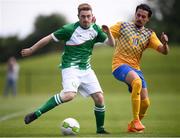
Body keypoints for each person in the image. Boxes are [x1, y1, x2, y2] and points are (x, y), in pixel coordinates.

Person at [21, 3, 115, 134]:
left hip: (86, 69)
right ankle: (36, 113)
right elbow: (48, 38)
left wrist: (109, 32)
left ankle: (100, 129)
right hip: (70, 68)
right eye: (83, 16)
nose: (86, 19)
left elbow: (111, 44)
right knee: (69, 95)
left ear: (92, 16)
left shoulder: (96, 29)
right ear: (78, 17)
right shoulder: (69, 29)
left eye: (88, 16)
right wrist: (32, 49)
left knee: (99, 98)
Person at [110, 4, 169, 132]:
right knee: (136, 81)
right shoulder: (123, 26)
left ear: (147, 19)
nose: (140, 18)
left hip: (136, 69)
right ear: (135, 14)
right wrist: (99, 30)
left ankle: (132, 126)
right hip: (119, 65)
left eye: (143, 16)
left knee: (146, 103)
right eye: (138, 15)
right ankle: (136, 121)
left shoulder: (149, 34)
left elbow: (164, 51)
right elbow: (106, 34)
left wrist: (165, 44)